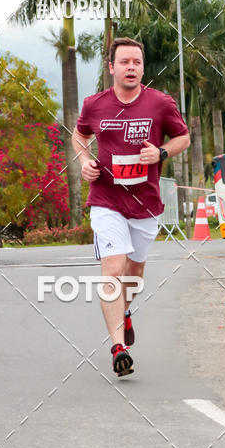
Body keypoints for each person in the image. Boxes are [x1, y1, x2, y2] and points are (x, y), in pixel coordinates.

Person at [72, 37, 190, 377]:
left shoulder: (160, 103)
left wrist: (162, 152)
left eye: (136, 62)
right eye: (124, 62)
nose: (131, 68)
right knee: (113, 269)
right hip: (106, 200)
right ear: (111, 67)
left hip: (146, 204)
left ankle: (125, 312)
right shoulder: (95, 105)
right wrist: (84, 160)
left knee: (134, 274)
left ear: (143, 67)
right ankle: (117, 346)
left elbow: (183, 137)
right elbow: (79, 136)